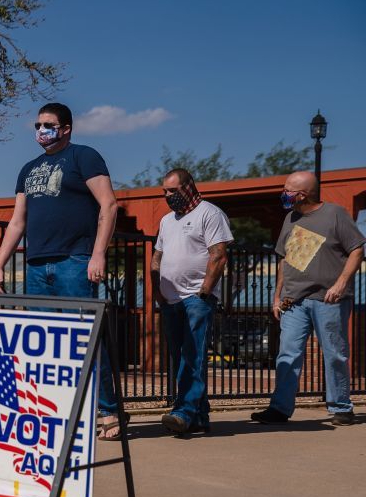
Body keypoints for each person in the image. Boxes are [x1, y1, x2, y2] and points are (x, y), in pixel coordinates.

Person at [0, 102, 126, 440]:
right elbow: (17, 220)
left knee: (86, 340)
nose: (41, 131)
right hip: (37, 265)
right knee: (45, 345)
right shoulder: (28, 168)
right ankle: (56, 414)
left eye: (48, 125)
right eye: (38, 125)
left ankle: (109, 411)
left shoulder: (84, 156)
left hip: (75, 261)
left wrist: (98, 255)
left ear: (65, 128)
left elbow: (108, 204)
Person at [252, 171, 364, 426]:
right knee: (287, 354)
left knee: (335, 353)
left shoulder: (334, 214)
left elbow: (357, 249)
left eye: (288, 190)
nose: (284, 194)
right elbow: (284, 258)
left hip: (328, 299)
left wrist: (341, 283)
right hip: (294, 301)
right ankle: (280, 409)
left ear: (303, 194)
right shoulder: (290, 218)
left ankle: (341, 407)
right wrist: (277, 295)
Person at [151, 169, 233, 435]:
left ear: (188, 187)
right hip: (170, 300)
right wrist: (157, 291)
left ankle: (183, 412)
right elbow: (157, 257)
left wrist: (205, 292)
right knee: (180, 357)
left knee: (192, 354)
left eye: (173, 191)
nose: (168, 196)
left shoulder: (209, 213)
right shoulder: (166, 221)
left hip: (196, 298)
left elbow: (218, 255)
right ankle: (199, 415)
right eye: (165, 191)